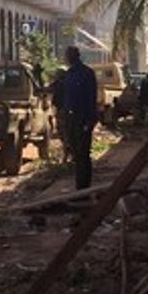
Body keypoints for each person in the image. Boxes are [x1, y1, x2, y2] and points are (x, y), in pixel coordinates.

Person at [61, 46, 97, 189]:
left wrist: (90, 120)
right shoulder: (68, 74)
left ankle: (84, 186)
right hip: (70, 118)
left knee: (83, 154)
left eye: (68, 55)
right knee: (76, 153)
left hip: (82, 118)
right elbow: (65, 96)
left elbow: (91, 98)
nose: (66, 58)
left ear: (75, 56)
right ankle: (79, 184)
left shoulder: (87, 73)